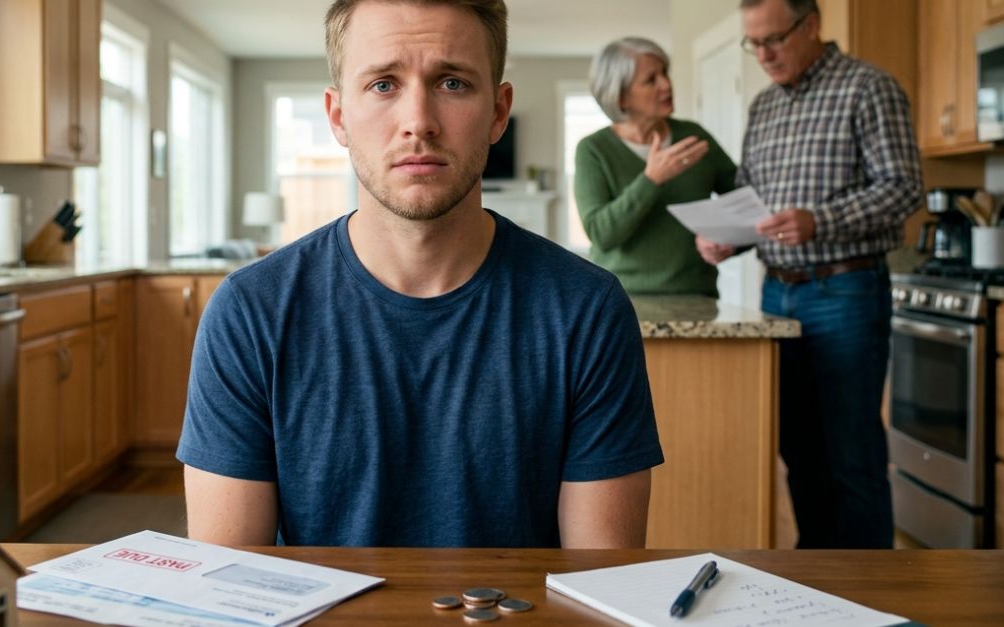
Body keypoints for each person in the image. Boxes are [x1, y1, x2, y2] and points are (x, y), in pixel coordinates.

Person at [177, 0, 663, 548]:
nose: (418, 123)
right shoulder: (250, 313)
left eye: (452, 83)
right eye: (383, 84)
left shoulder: (586, 311)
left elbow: (595, 581)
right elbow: (231, 586)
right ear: (337, 116)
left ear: (499, 112)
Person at [700, 0, 922, 548]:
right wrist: (728, 238)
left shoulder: (869, 87)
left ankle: (871, 589)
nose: (764, 54)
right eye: (754, 44)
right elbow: (754, 200)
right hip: (778, 292)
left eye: (774, 39)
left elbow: (903, 187)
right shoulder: (764, 107)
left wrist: (820, 221)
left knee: (851, 453)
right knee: (797, 449)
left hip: (845, 290)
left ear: (812, 25)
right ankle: (819, 577)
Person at [574, 37, 737, 296]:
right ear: (621, 96)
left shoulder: (693, 136)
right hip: (620, 301)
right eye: (651, 79)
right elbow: (601, 234)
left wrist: (728, 241)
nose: (666, 84)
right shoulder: (593, 150)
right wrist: (651, 179)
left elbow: (744, 201)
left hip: (697, 297)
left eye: (665, 73)